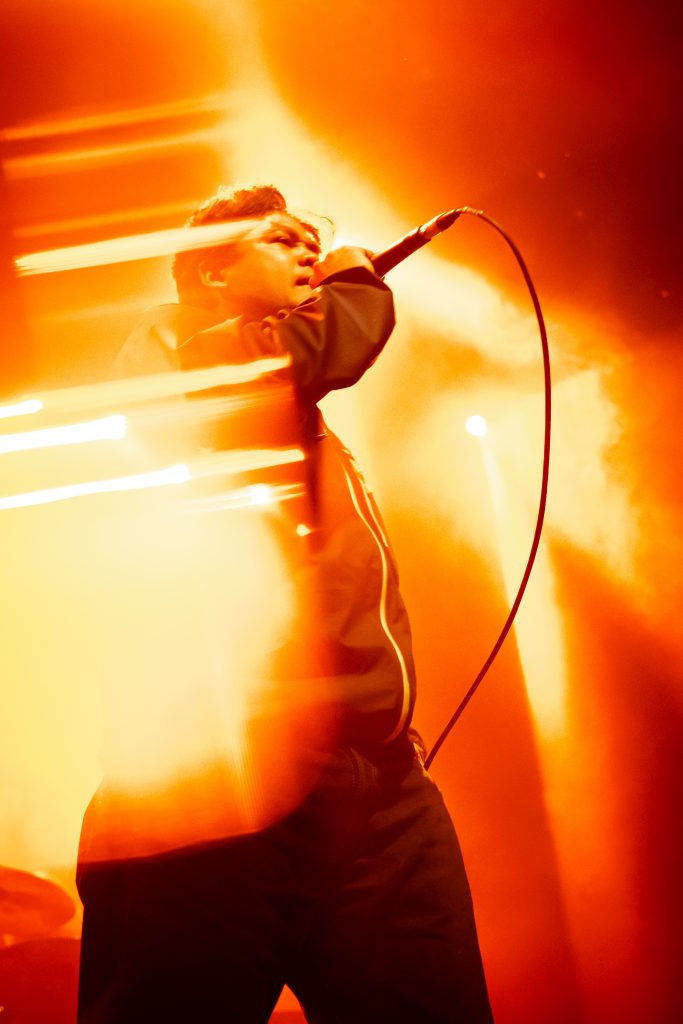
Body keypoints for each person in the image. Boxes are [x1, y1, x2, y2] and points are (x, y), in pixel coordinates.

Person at [76, 185, 494, 1023]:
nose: (308, 249)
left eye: (313, 239)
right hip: (225, 783)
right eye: (280, 239)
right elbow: (311, 352)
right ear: (211, 275)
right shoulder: (179, 349)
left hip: (377, 785)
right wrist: (355, 279)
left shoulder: (295, 410)